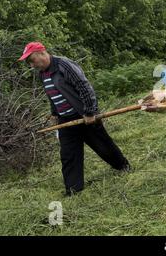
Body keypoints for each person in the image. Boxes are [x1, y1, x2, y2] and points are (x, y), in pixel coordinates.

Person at [19, 42, 130, 196]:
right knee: (68, 154)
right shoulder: (42, 73)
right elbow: (52, 95)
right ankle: (73, 189)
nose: (31, 65)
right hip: (65, 120)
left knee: (102, 144)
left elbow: (84, 87)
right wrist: (55, 114)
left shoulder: (64, 65)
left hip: (83, 115)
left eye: (32, 60)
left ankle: (123, 166)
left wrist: (90, 112)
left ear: (41, 53)